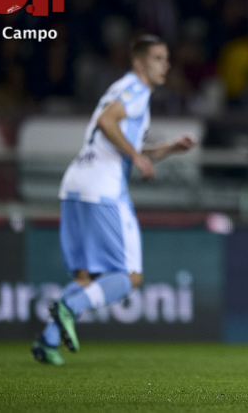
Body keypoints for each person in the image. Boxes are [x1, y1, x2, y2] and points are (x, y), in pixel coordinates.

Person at [31, 34, 195, 365]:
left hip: (75, 183)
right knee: (129, 277)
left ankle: (47, 341)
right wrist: (136, 157)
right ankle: (69, 307)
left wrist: (167, 149)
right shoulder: (136, 89)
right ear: (139, 63)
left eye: (166, 59)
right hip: (103, 188)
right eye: (158, 58)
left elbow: (119, 140)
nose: (165, 65)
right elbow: (107, 123)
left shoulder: (119, 89)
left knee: (86, 277)